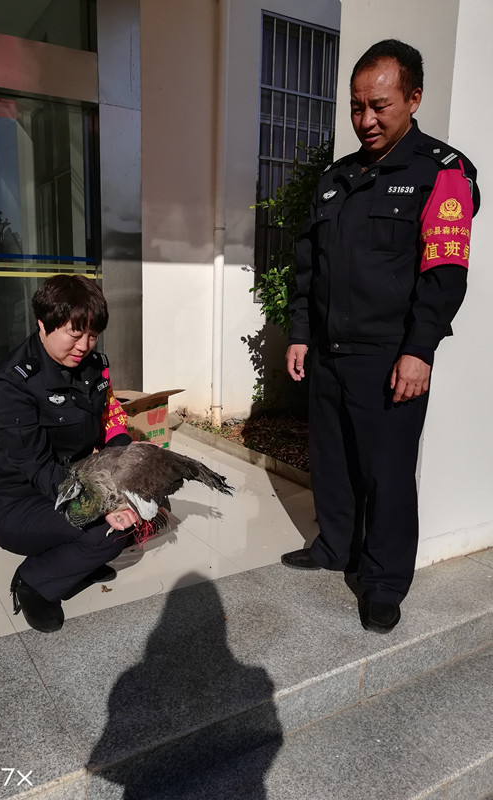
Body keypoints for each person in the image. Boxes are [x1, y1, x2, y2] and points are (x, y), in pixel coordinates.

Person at [280, 40, 480, 633]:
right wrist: (299, 333)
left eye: (380, 106)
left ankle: (384, 582)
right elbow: (308, 266)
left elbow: (445, 273)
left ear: (414, 98)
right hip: (329, 352)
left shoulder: (442, 172)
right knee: (333, 460)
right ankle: (335, 547)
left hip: (390, 357)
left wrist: (419, 350)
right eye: (356, 106)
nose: (365, 119)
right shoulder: (335, 179)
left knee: (387, 476)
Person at [0, 274, 139, 633]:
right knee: (108, 530)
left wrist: (128, 476)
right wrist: (103, 505)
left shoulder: (92, 366)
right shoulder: (10, 384)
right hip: (17, 502)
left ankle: (74, 562)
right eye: (74, 333)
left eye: (93, 335)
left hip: (74, 481)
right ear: (43, 323)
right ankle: (34, 582)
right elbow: (38, 467)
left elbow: (110, 419)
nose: (84, 345)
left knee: (134, 515)